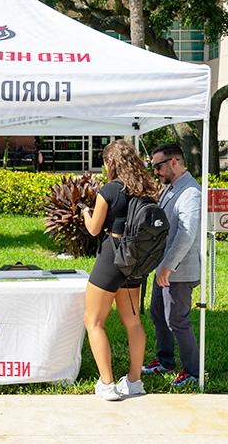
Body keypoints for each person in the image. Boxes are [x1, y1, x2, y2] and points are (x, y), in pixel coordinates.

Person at [80, 139, 160, 401]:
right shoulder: (147, 190)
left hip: (111, 260)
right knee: (133, 322)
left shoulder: (110, 190)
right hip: (135, 263)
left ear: (111, 163)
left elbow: (94, 229)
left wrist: (85, 213)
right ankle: (135, 381)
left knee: (93, 322)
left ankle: (107, 383)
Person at [142, 143, 202, 388]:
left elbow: (186, 235)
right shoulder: (171, 188)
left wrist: (168, 266)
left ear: (175, 162)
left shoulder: (191, 193)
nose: (156, 171)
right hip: (163, 268)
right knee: (158, 314)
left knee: (176, 320)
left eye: (159, 166)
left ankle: (193, 371)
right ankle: (165, 361)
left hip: (178, 271)